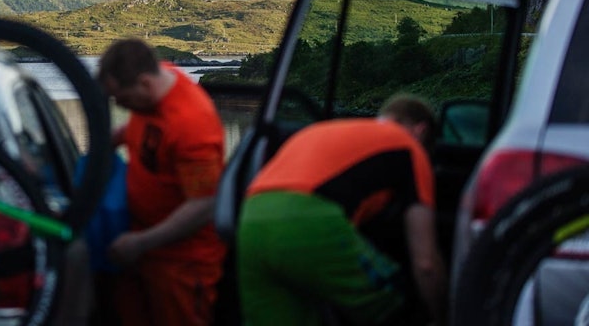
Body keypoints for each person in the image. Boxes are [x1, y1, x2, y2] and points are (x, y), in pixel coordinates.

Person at [236, 94, 447, 326]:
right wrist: (440, 316)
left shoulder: (323, 130)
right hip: (308, 220)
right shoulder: (409, 147)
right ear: (420, 130)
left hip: (250, 219)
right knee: (398, 308)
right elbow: (426, 263)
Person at [96, 38, 227, 326]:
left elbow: (204, 204)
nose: (119, 105)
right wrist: (111, 140)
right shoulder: (157, 83)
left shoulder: (192, 125)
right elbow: (146, 128)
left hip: (180, 263)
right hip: (139, 247)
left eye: (121, 98)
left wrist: (142, 242)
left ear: (144, 83)